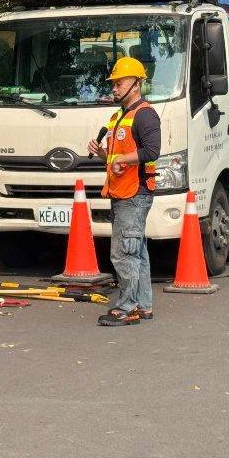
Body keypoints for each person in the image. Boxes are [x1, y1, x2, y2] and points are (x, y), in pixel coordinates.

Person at [87, 58, 162, 326]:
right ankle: (143, 305)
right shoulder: (118, 117)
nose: (115, 88)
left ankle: (127, 308)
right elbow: (116, 159)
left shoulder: (145, 114)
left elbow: (152, 151)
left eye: (119, 83)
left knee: (124, 253)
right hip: (122, 192)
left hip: (134, 193)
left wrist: (123, 159)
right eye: (114, 83)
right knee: (137, 251)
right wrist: (102, 154)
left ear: (136, 84)